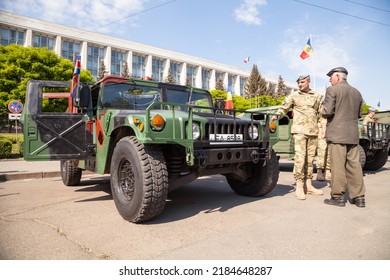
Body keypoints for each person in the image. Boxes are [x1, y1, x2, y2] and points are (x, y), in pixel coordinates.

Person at [272, 75, 323, 200]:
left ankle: (309, 185)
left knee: (310, 160)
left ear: (308, 82)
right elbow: (284, 108)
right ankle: (299, 187)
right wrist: (275, 116)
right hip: (299, 131)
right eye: (299, 82)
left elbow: (321, 114)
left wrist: (323, 129)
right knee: (300, 158)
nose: (300, 84)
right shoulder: (294, 95)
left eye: (302, 82)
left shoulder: (317, 96)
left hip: (313, 132)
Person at [322, 67, 366, 207]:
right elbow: (358, 115)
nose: (330, 79)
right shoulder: (357, 93)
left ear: (337, 76)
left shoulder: (332, 90)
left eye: (331, 77)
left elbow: (326, 112)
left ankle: (337, 197)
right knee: (355, 166)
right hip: (352, 135)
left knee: (338, 167)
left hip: (337, 135)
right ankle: (359, 198)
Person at [316, 116, 331, 181]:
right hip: (321, 128)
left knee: (329, 151)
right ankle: (319, 171)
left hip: (330, 127)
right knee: (322, 150)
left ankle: (328, 171)